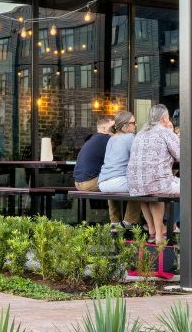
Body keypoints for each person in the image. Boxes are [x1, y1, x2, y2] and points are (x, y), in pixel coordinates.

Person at [126, 104, 182, 258]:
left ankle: (153, 230)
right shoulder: (165, 132)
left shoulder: (139, 133)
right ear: (165, 118)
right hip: (158, 183)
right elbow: (182, 155)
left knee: (146, 191)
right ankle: (161, 233)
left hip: (135, 184)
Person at [96, 111, 139, 225]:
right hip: (118, 182)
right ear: (125, 126)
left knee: (115, 185)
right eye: (133, 123)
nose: (135, 125)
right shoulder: (130, 137)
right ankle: (128, 222)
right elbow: (139, 159)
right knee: (142, 186)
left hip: (103, 183)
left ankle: (115, 222)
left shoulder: (111, 138)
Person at [73, 113, 116, 195]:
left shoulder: (93, 138)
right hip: (89, 182)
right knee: (129, 183)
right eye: (113, 127)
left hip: (78, 182)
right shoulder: (107, 139)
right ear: (104, 129)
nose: (116, 130)